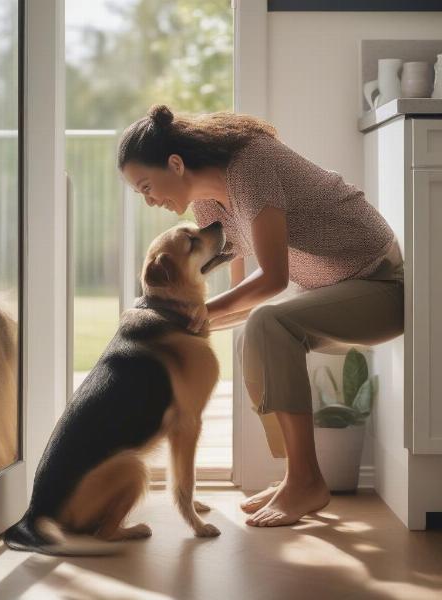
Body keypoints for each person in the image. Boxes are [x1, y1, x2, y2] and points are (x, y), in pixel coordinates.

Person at [117, 104, 404, 528]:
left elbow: (271, 280)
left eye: (145, 186)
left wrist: (202, 314)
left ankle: (306, 481)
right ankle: (296, 476)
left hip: (381, 285)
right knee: (254, 335)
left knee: (268, 324)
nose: (149, 200)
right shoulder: (209, 208)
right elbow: (236, 296)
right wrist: (171, 321)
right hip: (334, 290)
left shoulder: (251, 166)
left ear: (175, 164)